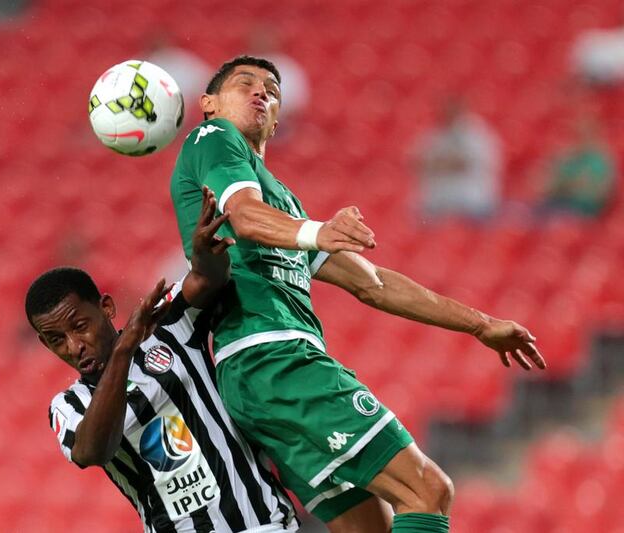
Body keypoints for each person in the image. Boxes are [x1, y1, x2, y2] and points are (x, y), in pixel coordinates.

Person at [170, 56, 546, 533]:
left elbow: (373, 283)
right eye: (245, 84)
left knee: (372, 526)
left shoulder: (281, 202)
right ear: (208, 104)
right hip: (274, 360)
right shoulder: (213, 138)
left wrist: (479, 323)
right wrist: (316, 231)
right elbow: (242, 216)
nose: (261, 92)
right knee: (428, 491)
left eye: (272, 89)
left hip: (260, 377)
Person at [26, 188, 299, 533]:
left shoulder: (166, 325)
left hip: (264, 525)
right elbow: (92, 451)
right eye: (56, 340)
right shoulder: (69, 406)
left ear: (106, 308)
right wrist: (124, 350)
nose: (74, 346)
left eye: (80, 327)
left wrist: (205, 254)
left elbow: (207, 277)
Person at [412, 95, 502, 220]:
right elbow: (418, 162)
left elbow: (463, 163)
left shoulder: (476, 134)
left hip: (472, 202)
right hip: (438, 202)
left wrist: (441, 163)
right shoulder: (434, 135)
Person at [539, 115, 616, 218]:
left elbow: (598, 192)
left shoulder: (600, 160)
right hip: (558, 204)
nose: (579, 138)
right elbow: (546, 185)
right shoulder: (568, 158)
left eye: (584, 135)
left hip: (583, 210)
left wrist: (568, 185)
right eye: (576, 134)